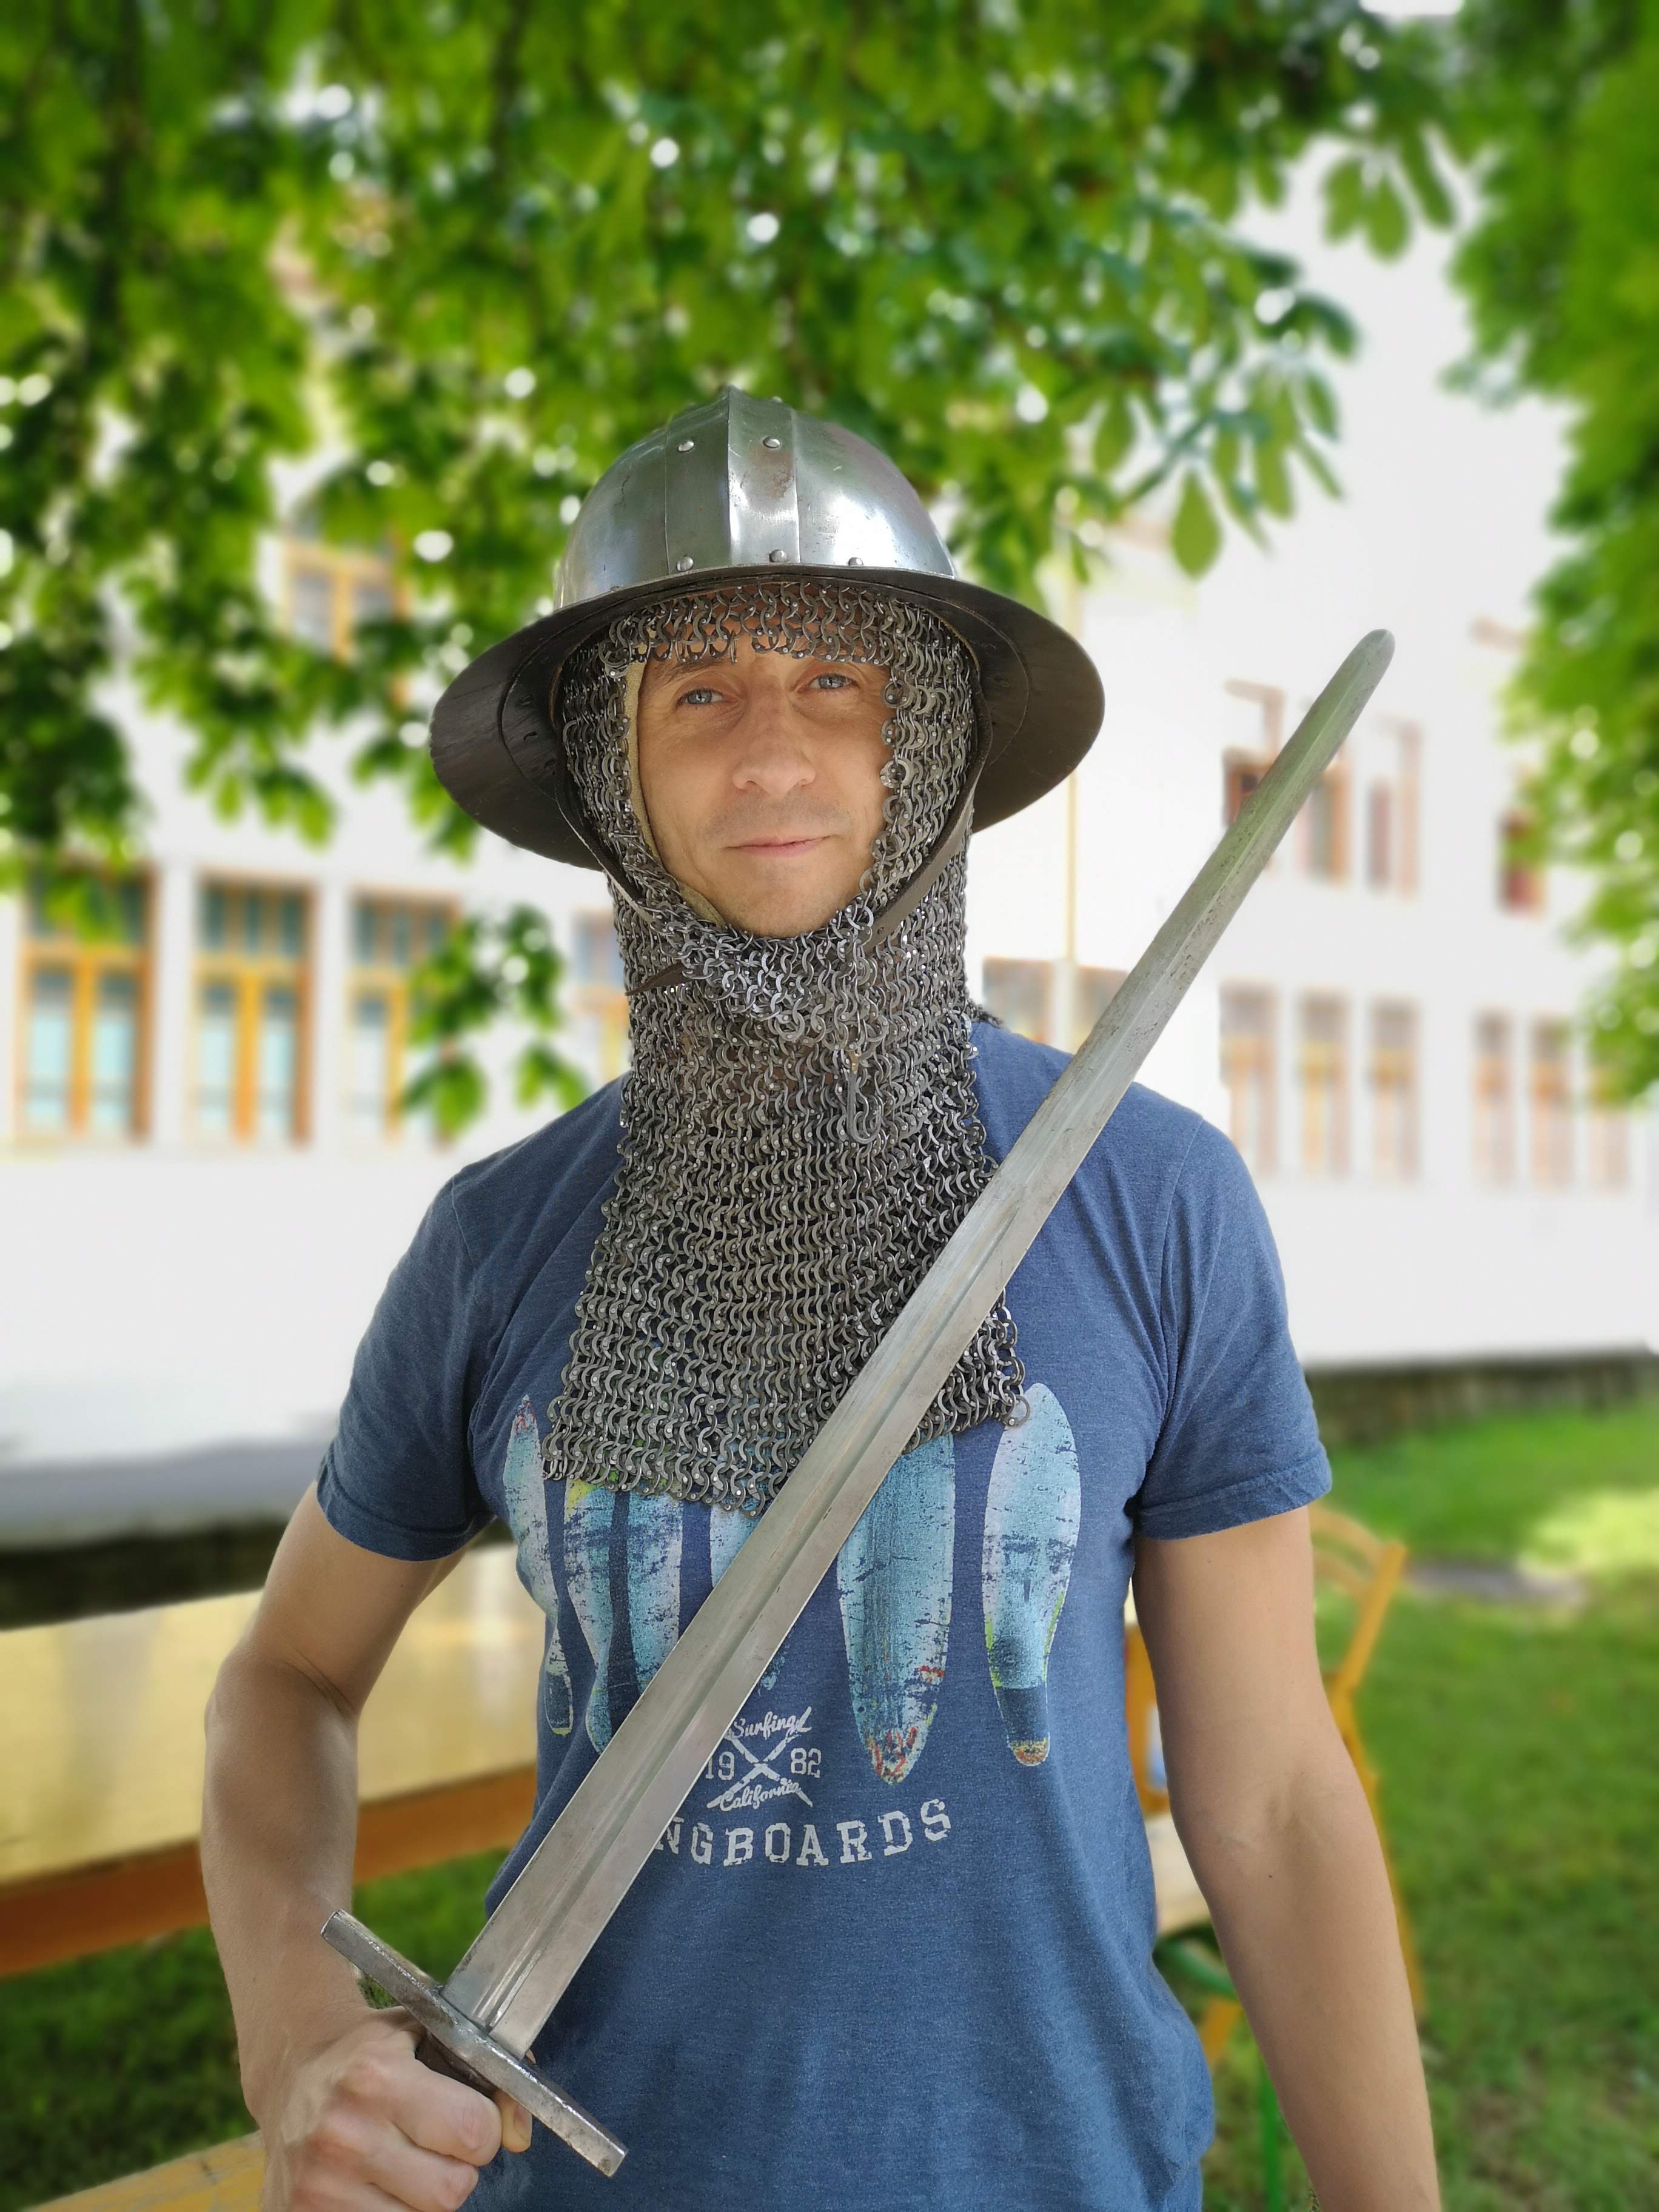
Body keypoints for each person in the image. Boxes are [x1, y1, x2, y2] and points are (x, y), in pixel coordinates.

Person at [202, 390, 1439, 2212]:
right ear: (613, 774)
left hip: (1056, 2172)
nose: (772, 754)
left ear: (923, 742)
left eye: (837, 683)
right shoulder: (498, 1241)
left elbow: (1266, 1798)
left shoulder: (1151, 1199)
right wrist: (297, 2026)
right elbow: (288, 1676)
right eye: (698, 692)